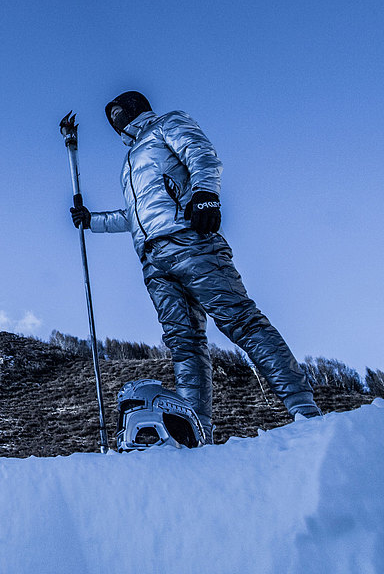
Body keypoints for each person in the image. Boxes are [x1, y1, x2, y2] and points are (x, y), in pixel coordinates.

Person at [70, 90, 320, 444]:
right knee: (184, 344)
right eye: (109, 118)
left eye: (117, 112)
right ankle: (197, 435)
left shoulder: (165, 125)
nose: (114, 122)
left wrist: (205, 192)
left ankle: (305, 411)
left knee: (241, 321)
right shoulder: (130, 164)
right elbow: (134, 216)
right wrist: (92, 220)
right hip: (153, 260)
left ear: (134, 108)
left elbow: (200, 153)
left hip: (190, 240)